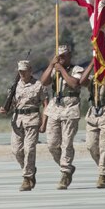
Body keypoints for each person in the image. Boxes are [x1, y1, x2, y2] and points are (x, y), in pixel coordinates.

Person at [0, 60, 48, 191]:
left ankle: (27, 178)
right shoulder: (14, 87)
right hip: (17, 121)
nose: (22, 74)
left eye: (24, 71)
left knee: (29, 149)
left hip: (32, 120)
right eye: (20, 71)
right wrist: (4, 110)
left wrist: (44, 123)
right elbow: (10, 105)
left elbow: (45, 105)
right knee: (17, 151)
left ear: (30, 70)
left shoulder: (38, 85)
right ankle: (29, 169)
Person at [40, 45, 84, 189]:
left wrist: (62, 70)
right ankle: (66, 166)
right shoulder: (55, 69)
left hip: (70, 108)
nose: (62, 58)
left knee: (67, 142)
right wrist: (52, 65)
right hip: (55, 108)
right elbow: (44, 82)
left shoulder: (76, 69)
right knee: (52, 144)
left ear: (69, 56)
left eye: (64, 56)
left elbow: (74, 84)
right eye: (60, 56)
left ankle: (65, 173)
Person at [80, 64, 105, 189]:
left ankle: (102, 175)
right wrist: (92, 65)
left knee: (104, 146)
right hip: (94, 113)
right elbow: (82, 81)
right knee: (91, 146)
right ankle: (104, 166)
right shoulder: (92, 79)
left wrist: (102, 77)